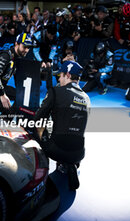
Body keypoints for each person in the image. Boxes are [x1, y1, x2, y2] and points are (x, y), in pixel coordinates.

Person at [34, 60, 90, 190]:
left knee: (37, 127)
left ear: (68, 75)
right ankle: (69, 164)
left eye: (60, 75)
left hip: (57, 150)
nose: (58, 79)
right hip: (79, 152)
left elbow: (38, 118)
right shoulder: (87, 98)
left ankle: (40, 175)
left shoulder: (55, 91)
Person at [0, 33, 33, 120]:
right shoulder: (5, 56)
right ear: (16, 44)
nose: (26, 50)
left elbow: (18, 76)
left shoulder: (17, 57)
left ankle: (4, 122)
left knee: (22, 97)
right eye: (24, 47)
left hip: (2, 86)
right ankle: (1, 127)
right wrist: (2, 95)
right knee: (8, 112)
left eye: (28, 47)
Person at [33, 24, 59, 89]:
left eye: (53, 36)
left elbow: (53, 49)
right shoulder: (37, 36)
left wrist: (49, 60)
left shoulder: (56, 35)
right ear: (47, 32)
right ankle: (37, 84)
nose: (52, 38)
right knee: (37, 68)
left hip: (48, 51)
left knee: (49, 68)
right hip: (38, 52)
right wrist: (41, 61)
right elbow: (35, 51)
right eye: (50, 36)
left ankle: (49, 88)